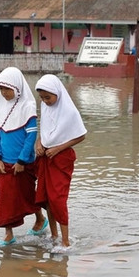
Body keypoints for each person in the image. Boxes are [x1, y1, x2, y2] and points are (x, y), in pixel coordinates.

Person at [0, 67, 47, 246]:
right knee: (5, 198)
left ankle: (40, 219)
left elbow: (31, 135)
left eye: (7, 89)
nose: (4, 93)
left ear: (17, 87)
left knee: (27, 195)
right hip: (5, 163)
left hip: (23, 163)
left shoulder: (27, 106)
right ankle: (9, 233)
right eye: (1, 89)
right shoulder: (0, 107)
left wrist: (22, 160)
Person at [34, 74, 87, 251]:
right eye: (42, 98)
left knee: (58, 198)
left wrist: (58, 148)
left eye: (48, 97)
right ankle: (54, 235)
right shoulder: (45, 106)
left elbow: (80, 135)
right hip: (46, 157)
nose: (46, 101)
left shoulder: (69, 111)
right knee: (47, 197)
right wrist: (39, 141)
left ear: (57, 93)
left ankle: (65, 241)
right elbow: (45, 129)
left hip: (61, 158)